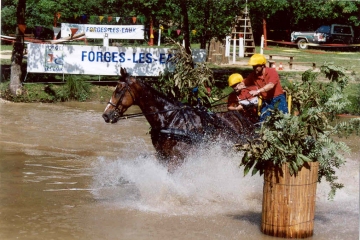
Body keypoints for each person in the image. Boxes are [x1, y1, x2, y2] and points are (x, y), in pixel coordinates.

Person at [244, 53, 288, 122]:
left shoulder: (272, 72)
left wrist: (258, 91)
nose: (254, 68)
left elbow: (271, 85)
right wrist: (237, 85)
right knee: (262, 122)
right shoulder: (253, 75)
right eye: (253, 66)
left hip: (278, 99)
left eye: (256, 66)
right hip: (266, 101)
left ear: (262, 65)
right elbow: (244, 83)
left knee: (283, 121)